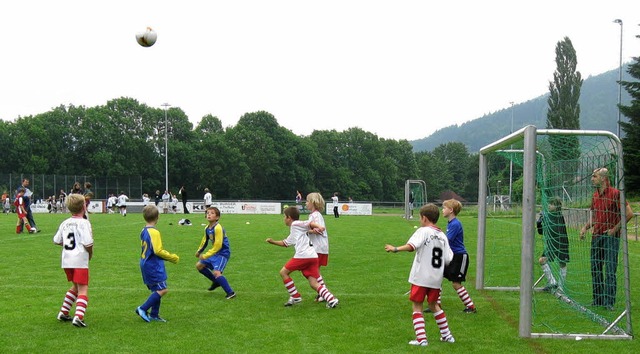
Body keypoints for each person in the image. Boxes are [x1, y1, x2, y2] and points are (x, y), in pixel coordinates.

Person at [384, 203, 455, 346]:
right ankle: (447, 336)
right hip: (436, 279)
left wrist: (395, 248)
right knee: (434, 305)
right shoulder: (442, 236)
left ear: (424, 218)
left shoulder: (423, 231)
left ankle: (421, 339)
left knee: (417, 306)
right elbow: (448, 258)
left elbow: (412, 246)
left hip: (421, 276)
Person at [580, 167, 633, 309]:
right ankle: (597, 300)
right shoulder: (595, 195)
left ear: (603, 178)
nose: (592, 179)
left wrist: (614, 229)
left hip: (611, 237)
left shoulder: (616, 194)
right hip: (596, 236)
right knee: (595, 268)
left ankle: (609, 303)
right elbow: (595, 217)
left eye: (594, 176)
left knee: (610, 269)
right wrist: (585, 228)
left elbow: (629, 214)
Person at [266, 206, 339, 308]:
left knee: (283, 272)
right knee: (313, 283)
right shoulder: (295, 230)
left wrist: (319, 226)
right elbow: (285, 243)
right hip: (312, 256)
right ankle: (332, 299)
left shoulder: (295, 224)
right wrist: (272, 241)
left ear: (289, 218)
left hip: (303, 256)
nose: (283, 219)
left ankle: (295, 296)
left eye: (284, 217)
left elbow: (308, 223)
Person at [53, 194, 94, 327]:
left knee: (75, 286)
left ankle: (63, 312)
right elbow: (88, 243)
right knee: (83, 288)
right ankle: (78, 317)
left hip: (67, 260)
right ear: (84, 206)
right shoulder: (84, 223)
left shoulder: (65, 223)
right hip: (79, 260)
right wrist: (90, 253)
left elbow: (57, 240)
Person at [136, 205, 180, 322]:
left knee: (157, 289)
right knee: (163, 289)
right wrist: (172, 258)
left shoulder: (143, 230)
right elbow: (157, 250)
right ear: (158, 217)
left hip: (145, 262)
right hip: (153, 264)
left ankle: (154, 315)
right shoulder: (154, 232)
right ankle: (142, 308)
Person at [442, 199, 477, 313]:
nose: (442, 210)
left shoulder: (455, 224)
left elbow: (447, 240)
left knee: (456, 284)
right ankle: (435, 304)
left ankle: (471, 307)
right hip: (452, 256)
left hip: (459, 257)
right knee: (437, 276)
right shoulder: (451, 223)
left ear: (451, 210)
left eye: (444, 208)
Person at [195, 207, 236, 299]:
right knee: (199, 265)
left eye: (212, 213)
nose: (209, 214)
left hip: (222, 253)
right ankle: (216, 282)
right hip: (214, 253)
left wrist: (205, 255)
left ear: (217, 217)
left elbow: (218, 245)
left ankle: (231, 293)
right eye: (208, 213)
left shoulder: (218, 228)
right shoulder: (207, 228)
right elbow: (204, 240)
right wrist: (199, 251)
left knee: (217, 272)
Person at [536, 196, 569, 292]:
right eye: (549, 204)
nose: (549, 206)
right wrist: (539, 224)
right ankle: (552, 282)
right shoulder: (548, 215)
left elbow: (554, 226)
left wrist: (545, 216)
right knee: (542, 260)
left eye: (552, 204)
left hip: (561, 243)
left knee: (562, 263)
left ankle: (561, 287)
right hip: (551, 243)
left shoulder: (558, 215)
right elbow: (541, 232)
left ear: (557, 206)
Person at [305, 192, 332, 302]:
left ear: (313, 202)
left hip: (318, 247)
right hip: (319, 247)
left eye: (307, 201)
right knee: (315, 271)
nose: (305, 203)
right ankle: (322, 293)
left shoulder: (315, 216)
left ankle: (324, 293)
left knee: (313, 271)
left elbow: (319, 230)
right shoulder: (315, 215)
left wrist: (306, 231)